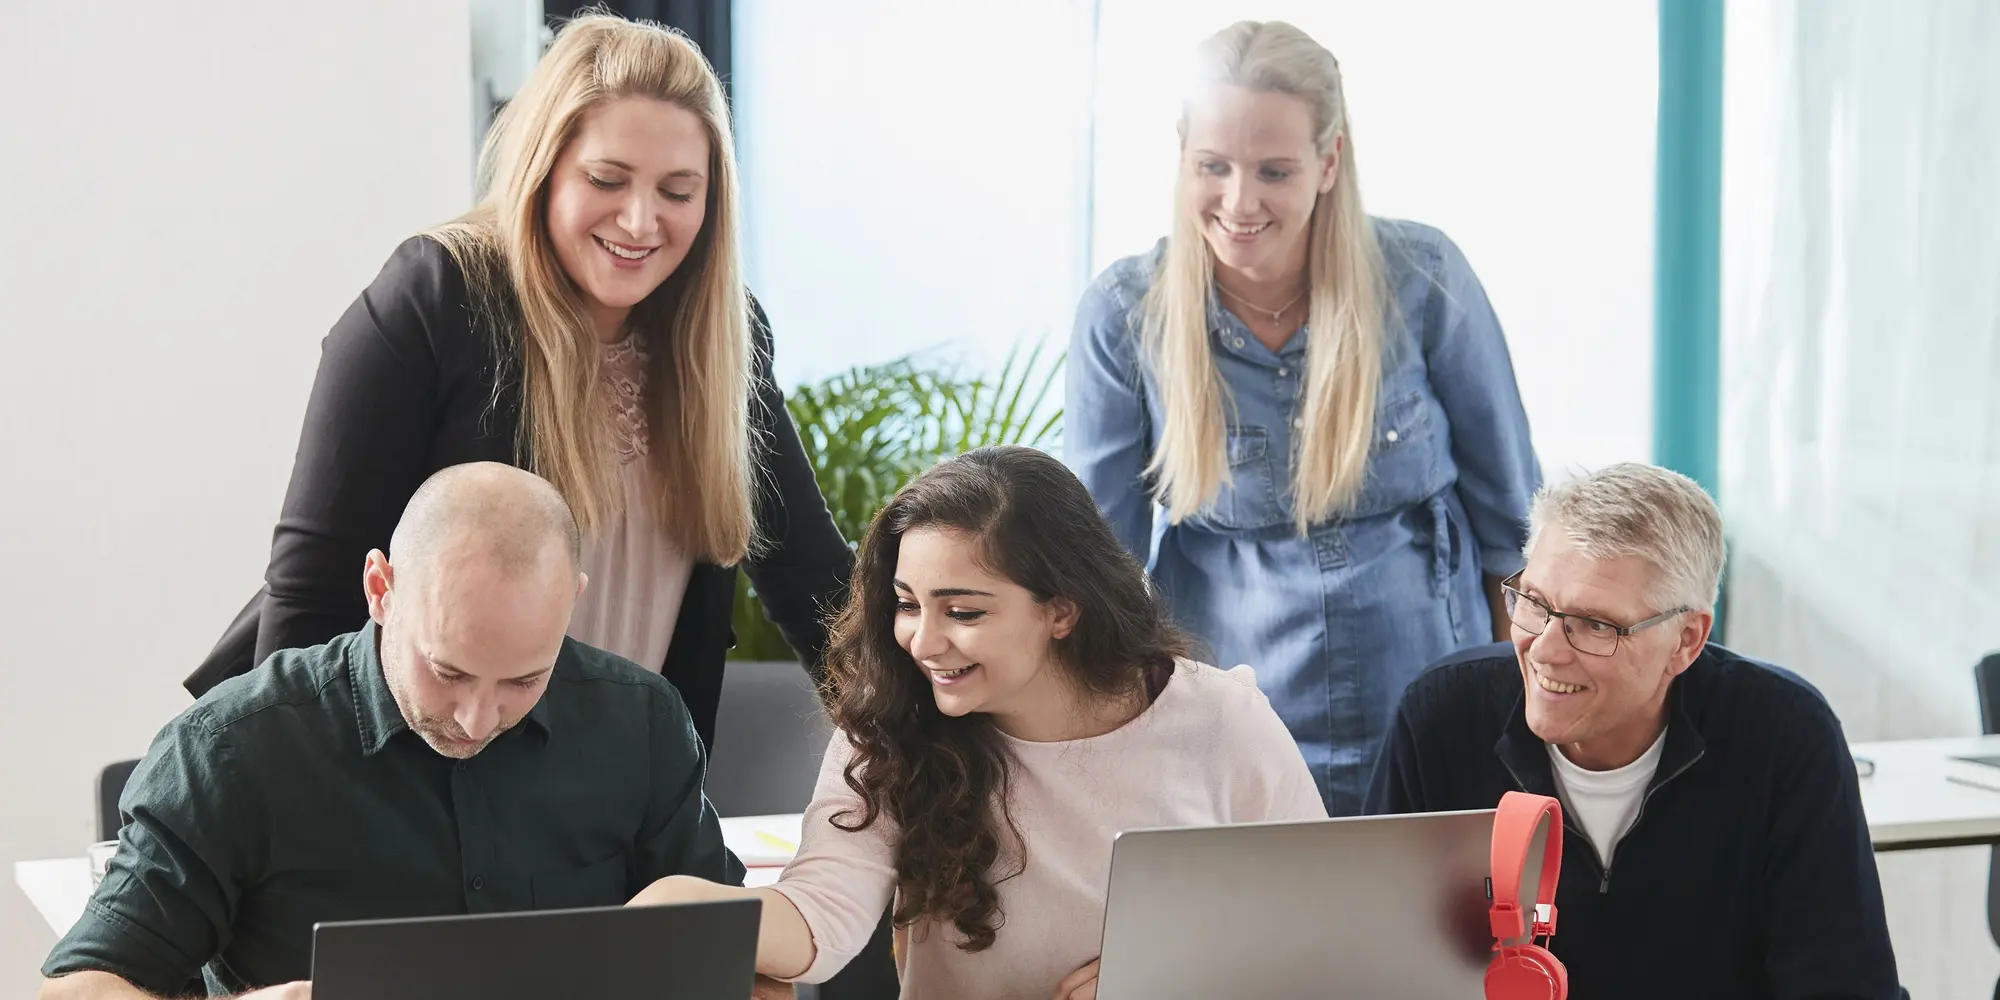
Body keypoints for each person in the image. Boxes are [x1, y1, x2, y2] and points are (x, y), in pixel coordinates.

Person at [184, 12, 851, 752]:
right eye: (607, 179)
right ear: (544, 168)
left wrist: (941, 752)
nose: (640, 219)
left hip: (618, 797)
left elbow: (816, 585)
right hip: (421, 780)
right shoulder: (437, 297)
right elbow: (311, 600)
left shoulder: (725, 334)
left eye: (677, 190)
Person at [627, 446, 1326, 999]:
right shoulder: (891, 726)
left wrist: (1165, 979)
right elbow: (822, 918)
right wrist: (683, 906)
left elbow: (1319, 929)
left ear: (1062, 609)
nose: (923, 642)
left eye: (963, 612)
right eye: (907, 604)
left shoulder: (1220, 720)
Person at [1065, 19, 1542, 816]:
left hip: (1427, 689)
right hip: (1229, 718)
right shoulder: (1124, 312)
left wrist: (1519, 717)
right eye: (1212, 166)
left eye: (1274, 170)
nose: (1239, 201)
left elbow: (1513, 533)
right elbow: (1097, 564)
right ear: (1181, 153)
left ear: (1330, 161)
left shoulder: (1425, 280)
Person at [39, 463, 744, 998]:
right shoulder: (232, 751)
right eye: (450, 671)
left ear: (572, 602)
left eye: (524, 681)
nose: (478, 719)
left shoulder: (641, 723)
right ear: (381, 590)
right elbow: (78, 988)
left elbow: (730, 959)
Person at [1364, 463, 1901, 997]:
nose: (1544, 650)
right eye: (1533, 603)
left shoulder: (1786, 737)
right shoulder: (1438, 720)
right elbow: (1371, 964)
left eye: (1595, 625)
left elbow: (1846, 984)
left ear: (1686, 640)